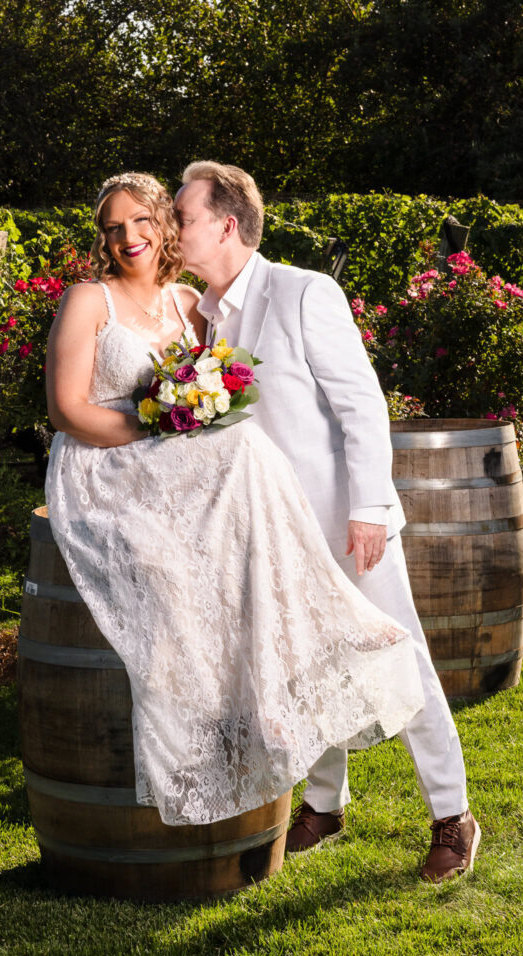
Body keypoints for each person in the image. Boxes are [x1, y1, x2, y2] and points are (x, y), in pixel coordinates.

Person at [44, 171, 424, 831]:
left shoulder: (190, 302)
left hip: (172, 456)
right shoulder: (88, 300)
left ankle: (290, 647)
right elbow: (67, 411)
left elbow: (217, 394)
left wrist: (194, 411)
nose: (128, 236)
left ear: (165, 224)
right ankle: (323, 626)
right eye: (113, 227)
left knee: (245, 442)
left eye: (141, 221)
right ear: (103, 239)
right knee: (241, 450)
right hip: (104, 459)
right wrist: (156, 423)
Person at [174, 161, 481, 882]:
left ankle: (452, 815)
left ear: (225, 224)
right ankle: (325, 803)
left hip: (346, 523)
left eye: (182, 216)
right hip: (264, 531)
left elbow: (360, 406)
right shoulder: (202, 315)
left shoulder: (305, 292)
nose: (172, 228)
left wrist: (369, 510)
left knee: (395, 660)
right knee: (298, 665)